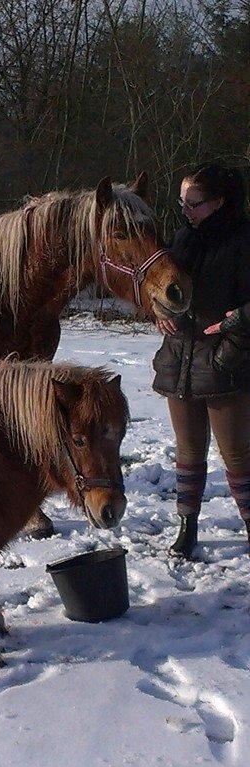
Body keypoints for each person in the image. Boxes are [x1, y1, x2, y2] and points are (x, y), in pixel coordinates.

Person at [152, 162, 250, 558]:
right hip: (180, 358)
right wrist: (158, 311)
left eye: (195, 203)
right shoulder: (182, 238)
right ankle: (187, 524)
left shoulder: (243, 240)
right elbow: (160, 286)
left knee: (238, 454)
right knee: (187, 449)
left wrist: (239, 321)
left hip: (227, 358)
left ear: (220, 202)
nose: (186, 211)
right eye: (182, 202)